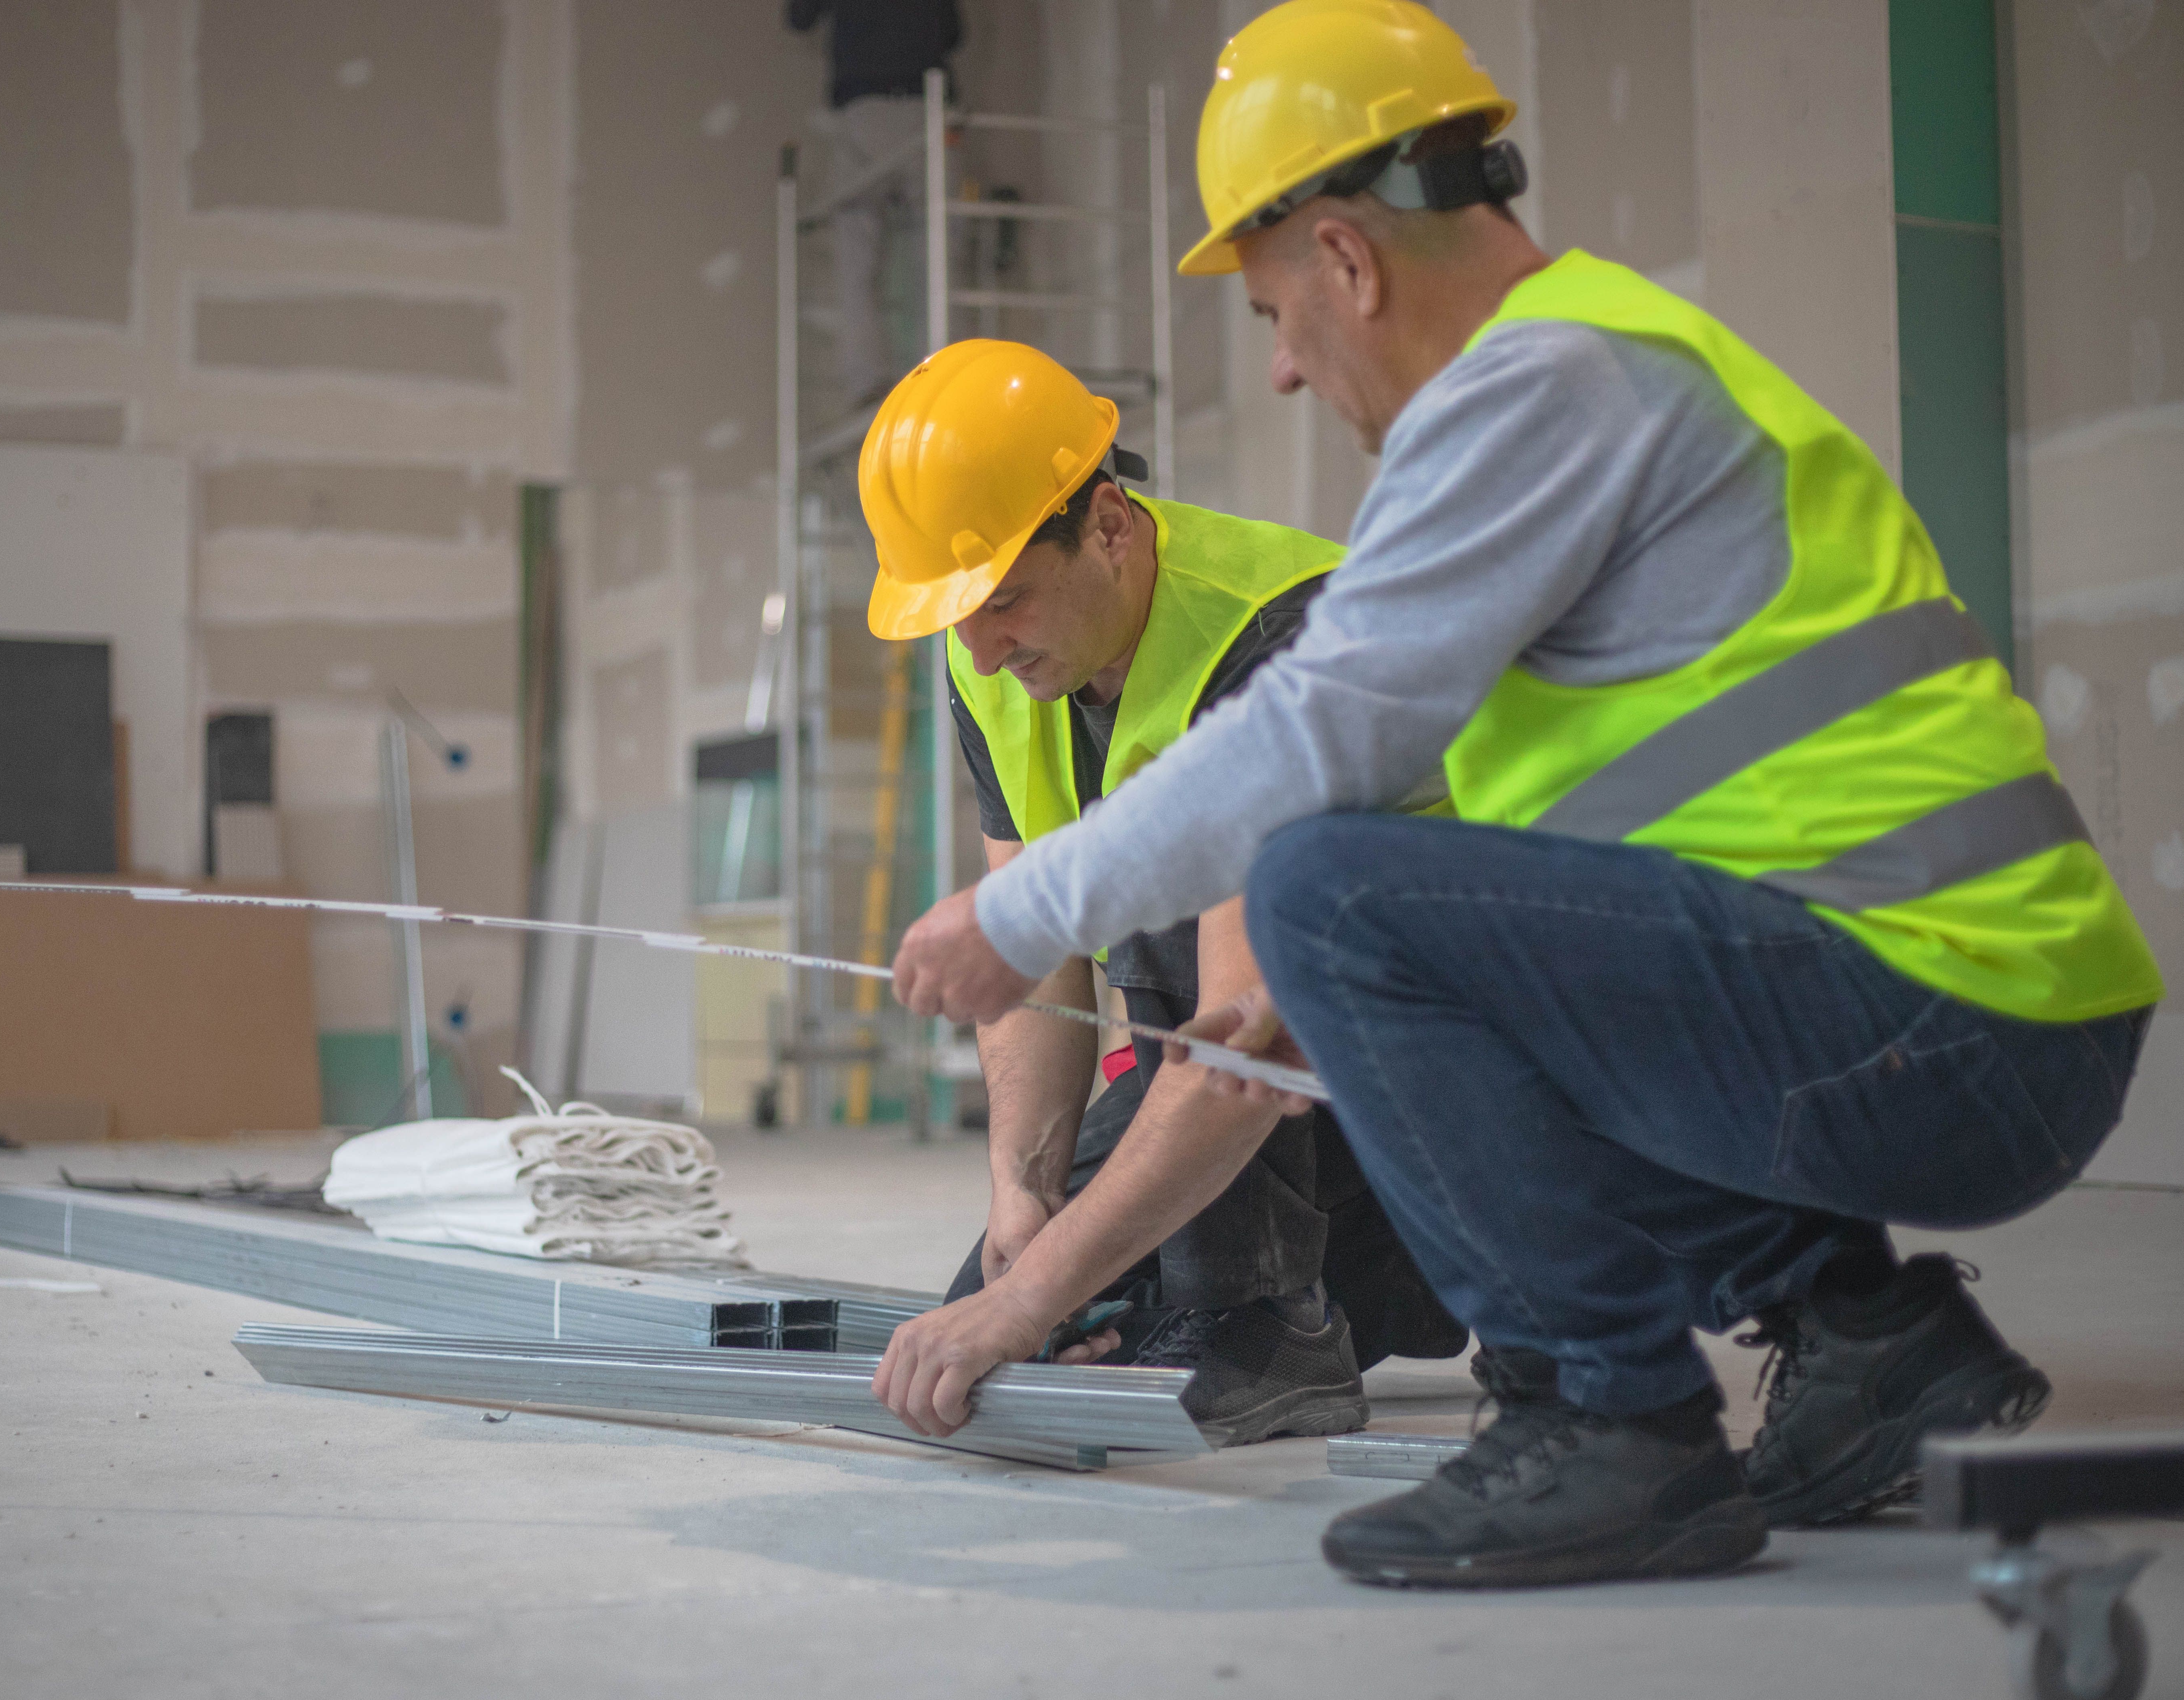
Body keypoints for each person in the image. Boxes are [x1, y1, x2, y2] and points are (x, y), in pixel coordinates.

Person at [873, 0, 2161, 1590]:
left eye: (1274, 310)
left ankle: (1609, 1425)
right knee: (1399, 913)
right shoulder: (1591, 363)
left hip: (1953, 1028)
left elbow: (1325, 730)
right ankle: (1873, 1342)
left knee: (1328, 891)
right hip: (1962, 1006)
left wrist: (1021, 909)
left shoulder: (1536, 389)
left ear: (1346, 259)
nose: (1279, 367)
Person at [858, 340, 1468, 1447]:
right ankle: (1261, 1299)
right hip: (1297, 1117)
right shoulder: (986, 661)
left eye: (1005, 602)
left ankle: (1270, 1314)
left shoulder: (1279, 638)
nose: (984, 653)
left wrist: (1030, 1295)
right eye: (958, 615)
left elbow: (1243, 1044)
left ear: (1108, 525)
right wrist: (1022, 1192)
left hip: (1433, 1111)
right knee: (1003, 1324)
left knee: (1035, 1308)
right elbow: (1031, 946)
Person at [786, 0, 962, 406]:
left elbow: (799, 18)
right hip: (927, 105)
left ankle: (867, 382)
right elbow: (953, 33)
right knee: (937, 254)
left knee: (857, 255)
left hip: (864, 106)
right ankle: (945, 377)